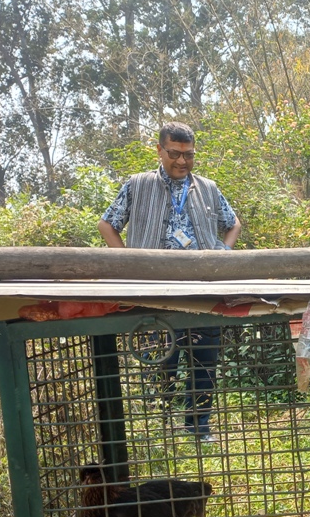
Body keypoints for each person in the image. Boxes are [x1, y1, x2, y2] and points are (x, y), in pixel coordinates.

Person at [98, 121, 242, 442]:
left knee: (204, 359)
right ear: (160, 150)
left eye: (188, 155)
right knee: (163, 358)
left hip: (203, 289)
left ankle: (197, 426)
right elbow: (107, 225)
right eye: (174, 153)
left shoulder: (208, 187)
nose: (181, 161)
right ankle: (159, 422)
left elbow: (233, 224)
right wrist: (128, 263)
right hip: (154, 291)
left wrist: (223, 252)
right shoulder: (137, 185)